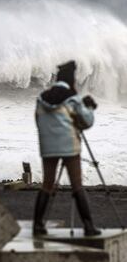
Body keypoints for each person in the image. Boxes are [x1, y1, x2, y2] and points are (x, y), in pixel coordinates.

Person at [33, 60, 101, 236]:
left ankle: (38, 225)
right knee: (77, 185)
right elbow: (86, 121)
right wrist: (90, 107)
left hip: (48, 148)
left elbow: (38, 120)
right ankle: (88, 226)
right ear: (71, 80)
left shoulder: (42, 98)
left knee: (47, 184)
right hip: (69, 147)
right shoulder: (73, 98)